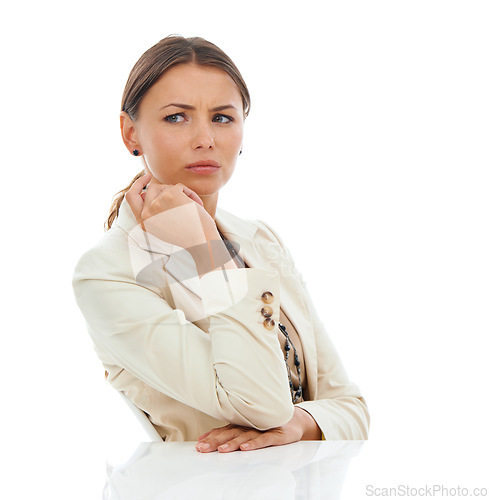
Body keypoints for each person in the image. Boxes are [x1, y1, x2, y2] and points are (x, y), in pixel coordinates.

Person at [72, 35, 369, 453]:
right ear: (129, 133)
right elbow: (260, 404)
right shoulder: (106, 274)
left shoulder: (260, 239)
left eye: (223, 118)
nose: (205, 138)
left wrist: (301, 423)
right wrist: (203, 251)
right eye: (177, 117)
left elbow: (353, 409)